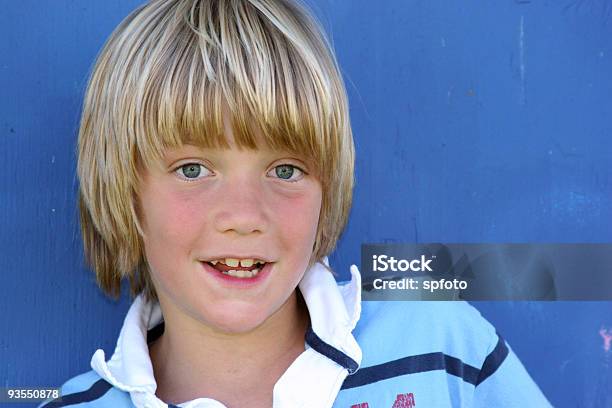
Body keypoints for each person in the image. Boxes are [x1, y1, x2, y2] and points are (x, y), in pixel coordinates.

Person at [40, 0, 552, 407]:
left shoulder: (440, 348)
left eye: (285, 170)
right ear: (125, 192)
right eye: (192, 170)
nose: (244, 216)